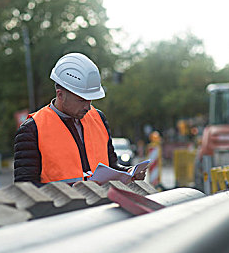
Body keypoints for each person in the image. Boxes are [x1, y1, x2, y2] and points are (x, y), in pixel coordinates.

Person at [14, 52, 145, 186]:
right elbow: (25, 188)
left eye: (90, 100)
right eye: (82, 100)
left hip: (101, 204)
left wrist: (128, 173)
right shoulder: (31, 129)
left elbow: (111, 166)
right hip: (62, 206)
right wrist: (72, 188)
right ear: (60, 95)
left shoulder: (98, 118)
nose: (88, 107)